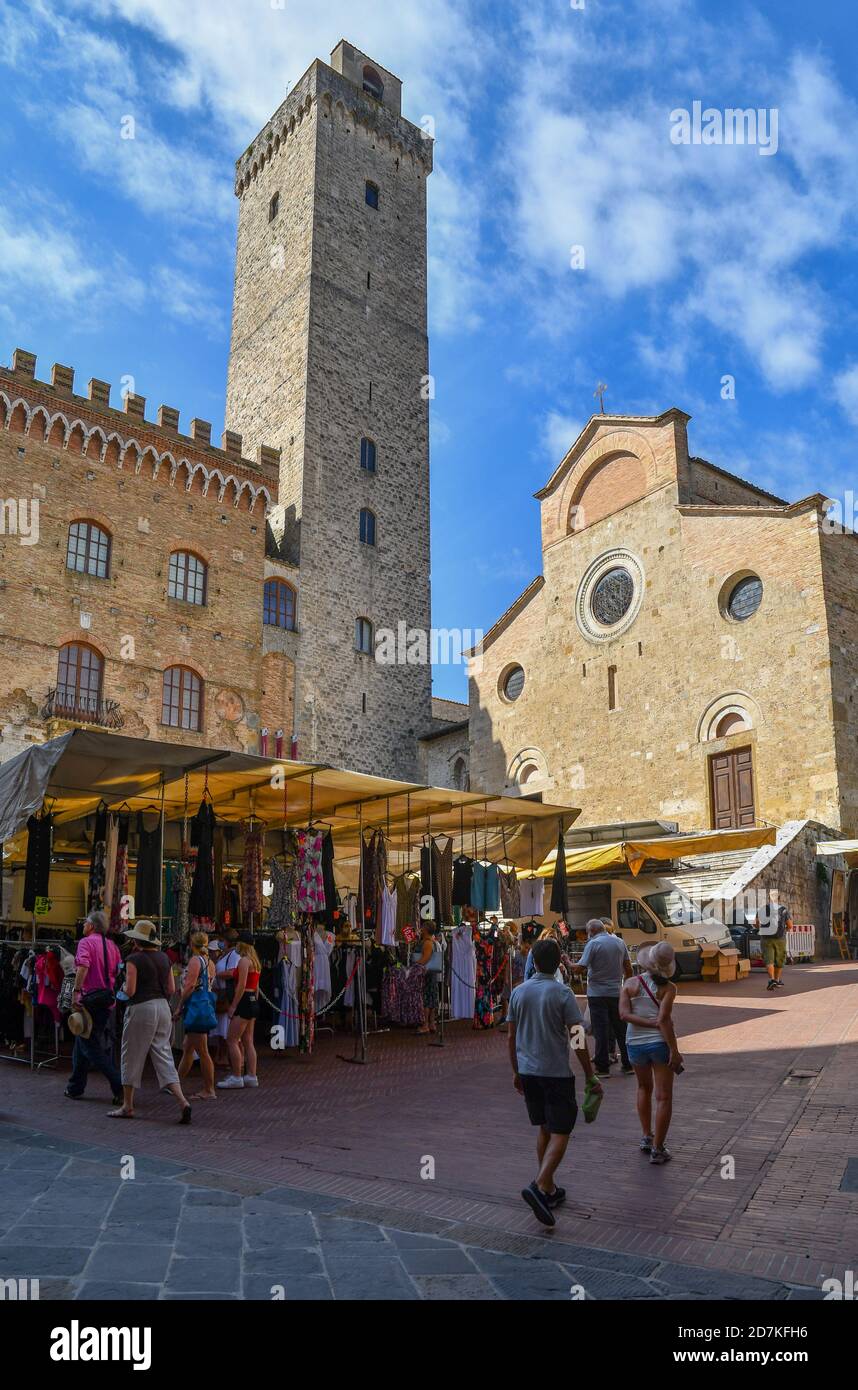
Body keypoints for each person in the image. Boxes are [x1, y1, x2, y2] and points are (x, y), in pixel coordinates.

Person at [507, 937, 601, 1226]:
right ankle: (538, 1184)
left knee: (544, 1128)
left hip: (528, 1071)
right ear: (559, 962)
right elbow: (576, 1037)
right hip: (555, 1072)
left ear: (533, 962)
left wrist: (515, 1071)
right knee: (562, 1130)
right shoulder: (562, 994)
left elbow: (511, 1036)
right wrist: (589, 1073)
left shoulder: (519, 992)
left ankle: (547, 1187)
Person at [108, 919, 191, 1123]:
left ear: (137, 940)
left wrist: (120, 991)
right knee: (163, 1055)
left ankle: (127, 1105)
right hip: (163, 1008)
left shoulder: (133, 959)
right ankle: (182, 1101)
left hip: (141, 1008)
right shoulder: (165, 959)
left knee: (131, 1055)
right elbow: (172, 989)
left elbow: (130, 990)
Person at [619, 942, 682, 1165]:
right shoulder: (669, 988)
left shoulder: (630, 984)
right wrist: (674, 1050)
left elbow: (624, 1015)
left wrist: (644, 1023)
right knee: (664, 1097)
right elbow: (664, 1021)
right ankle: (658, 1149)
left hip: (634, 1043)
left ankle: (646, 1136)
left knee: (643, 1088)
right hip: (659, 1044)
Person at [65, 910, 123, 1104]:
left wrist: (76, 992)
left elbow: (83, 967)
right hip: (107, 1000)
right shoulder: (112, 946)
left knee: (90, 1045)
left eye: (85, 922)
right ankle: (75, 1087)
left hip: (89, 1000)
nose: (83, 925)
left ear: (92, 926)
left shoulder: (85, 943)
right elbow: (116, 971)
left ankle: (118, 1085)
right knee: (83, 1041)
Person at [571, 918, 634, 1079]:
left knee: (601, 1030)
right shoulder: (620, 942)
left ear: (591, 931)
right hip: (616, 992)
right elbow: (628, 969)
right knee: (621, 1029)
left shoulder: (593, 944)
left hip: (597, 994)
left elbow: (580, 968)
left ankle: (602, 1067)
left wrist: (568, 963)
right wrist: (626, 988)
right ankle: (628, 1064)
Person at [175, 931, 217, 1100]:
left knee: (202, 1050)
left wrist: (179, 1006)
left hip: (196, 1007)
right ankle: (175, 1083)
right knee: (188, 1047)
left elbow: (190, 985)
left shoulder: (195, 960)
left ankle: (209, 1089)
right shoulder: (210, 962)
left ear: (192, 944)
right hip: (205, 1005)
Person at [217, 935, 261, 1089]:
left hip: (243, 1001)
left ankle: (236, 1076)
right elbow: (256, 988)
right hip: (252, 1001)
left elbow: (241, 985)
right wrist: (254, 1002)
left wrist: (234, 1005)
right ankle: (251, 1075)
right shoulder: (256, 962)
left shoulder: (244, 961)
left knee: (232, 1039)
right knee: (248, 1041)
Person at [754, 898, 792, 991]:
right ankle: (777, 980)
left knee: (769, 959)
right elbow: (790, 925)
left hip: (766, 938)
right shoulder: (783, 910)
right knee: (779, 959)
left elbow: (756, 923)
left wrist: (761, 929)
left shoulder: (762, 909)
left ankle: (771, 980)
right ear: (778, 899)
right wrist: (784, 931)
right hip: (780, 939)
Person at [415, 922, 443, 1034]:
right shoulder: (435, 942)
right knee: (432, 997)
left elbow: (426, 957)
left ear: (426, 929)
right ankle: (432, 1023)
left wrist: (415, 965)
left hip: (426, 973)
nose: (421, 930)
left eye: (423, 928)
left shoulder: (427, 943)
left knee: (426, 999)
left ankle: (425, 1024)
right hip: (433, 973)